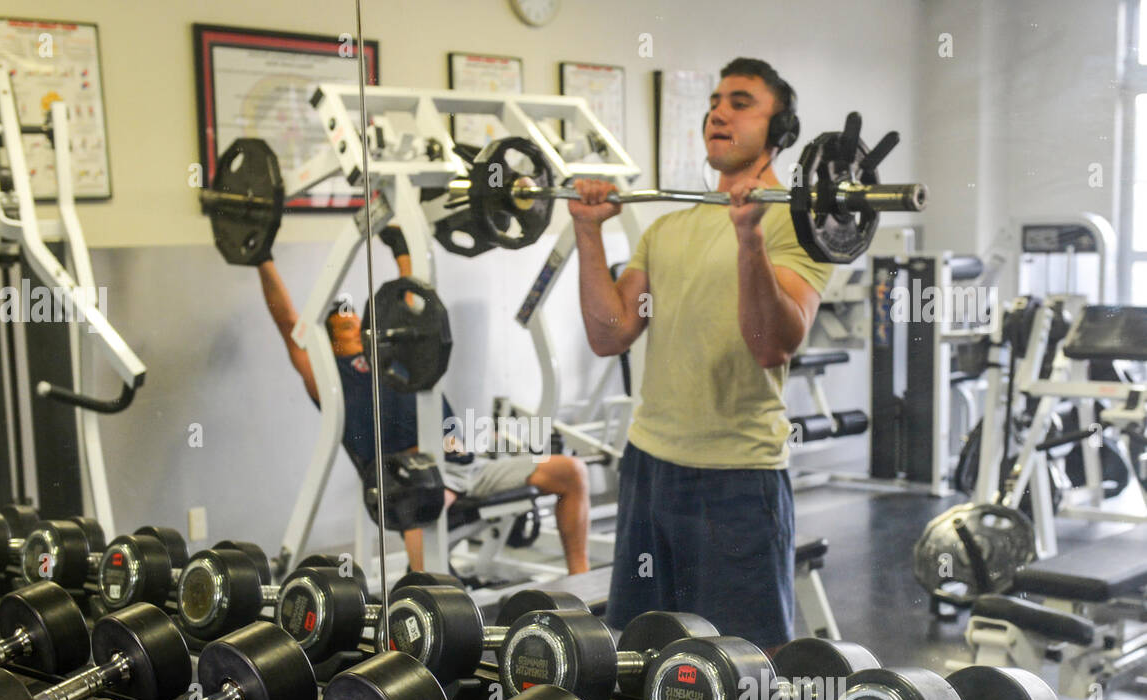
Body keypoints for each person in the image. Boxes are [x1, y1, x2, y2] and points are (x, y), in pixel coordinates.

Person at [568, 57, 833, 647]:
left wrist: (748, 238)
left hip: (737, 477)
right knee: (639, 657)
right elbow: (610, 334)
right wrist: (588, 232)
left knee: (739, 673)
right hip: (648, 468)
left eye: (741, 102)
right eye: (716, 101)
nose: (719, 112)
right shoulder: (668, 230)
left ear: (780, 130)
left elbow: (771, 345)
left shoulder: (797, 221)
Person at [258, 227, 591, 574]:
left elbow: (413, 302)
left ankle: (579, 583)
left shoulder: (397, 355)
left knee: (572, 472)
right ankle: (431, 604)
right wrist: (261, 258)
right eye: (345, 327)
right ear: (331, 342)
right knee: (418, 508)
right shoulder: (333, 380)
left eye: (357, 322)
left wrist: (403, 248)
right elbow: (287, 322)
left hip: (468, 467)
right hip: (418, 479)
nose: (356, 328)